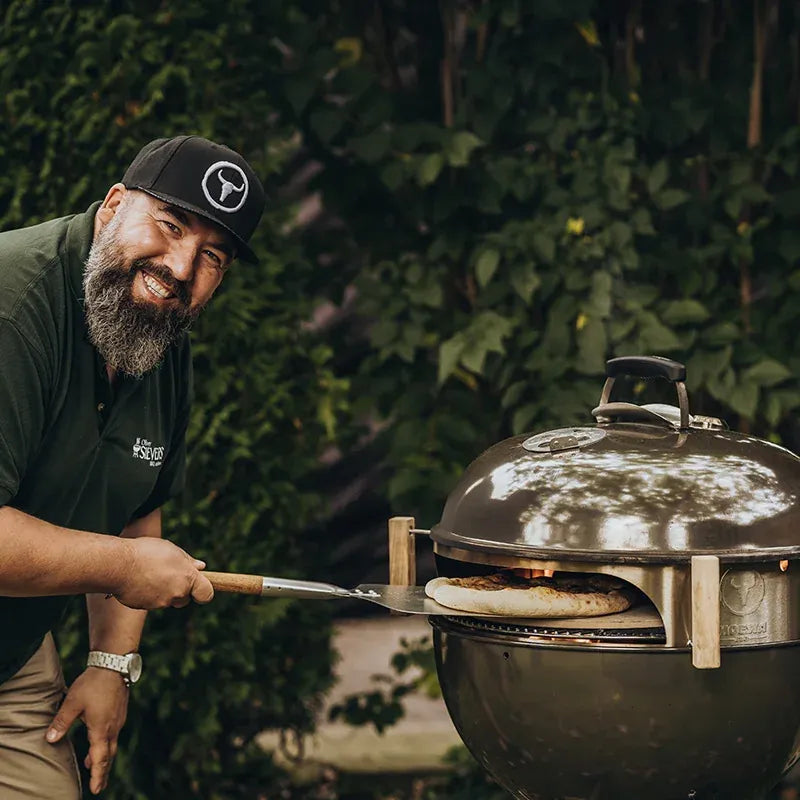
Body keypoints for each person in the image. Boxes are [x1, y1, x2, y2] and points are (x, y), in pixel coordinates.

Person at [0, 135, 266, 797]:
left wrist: (110, 663)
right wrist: (126, 570)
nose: (180, 267)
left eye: (212, 256)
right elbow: (128, 557)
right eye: (170, 227)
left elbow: (136, 502)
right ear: (114, 205)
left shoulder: (152, 329)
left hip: (9, 656)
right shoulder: (14, 309)